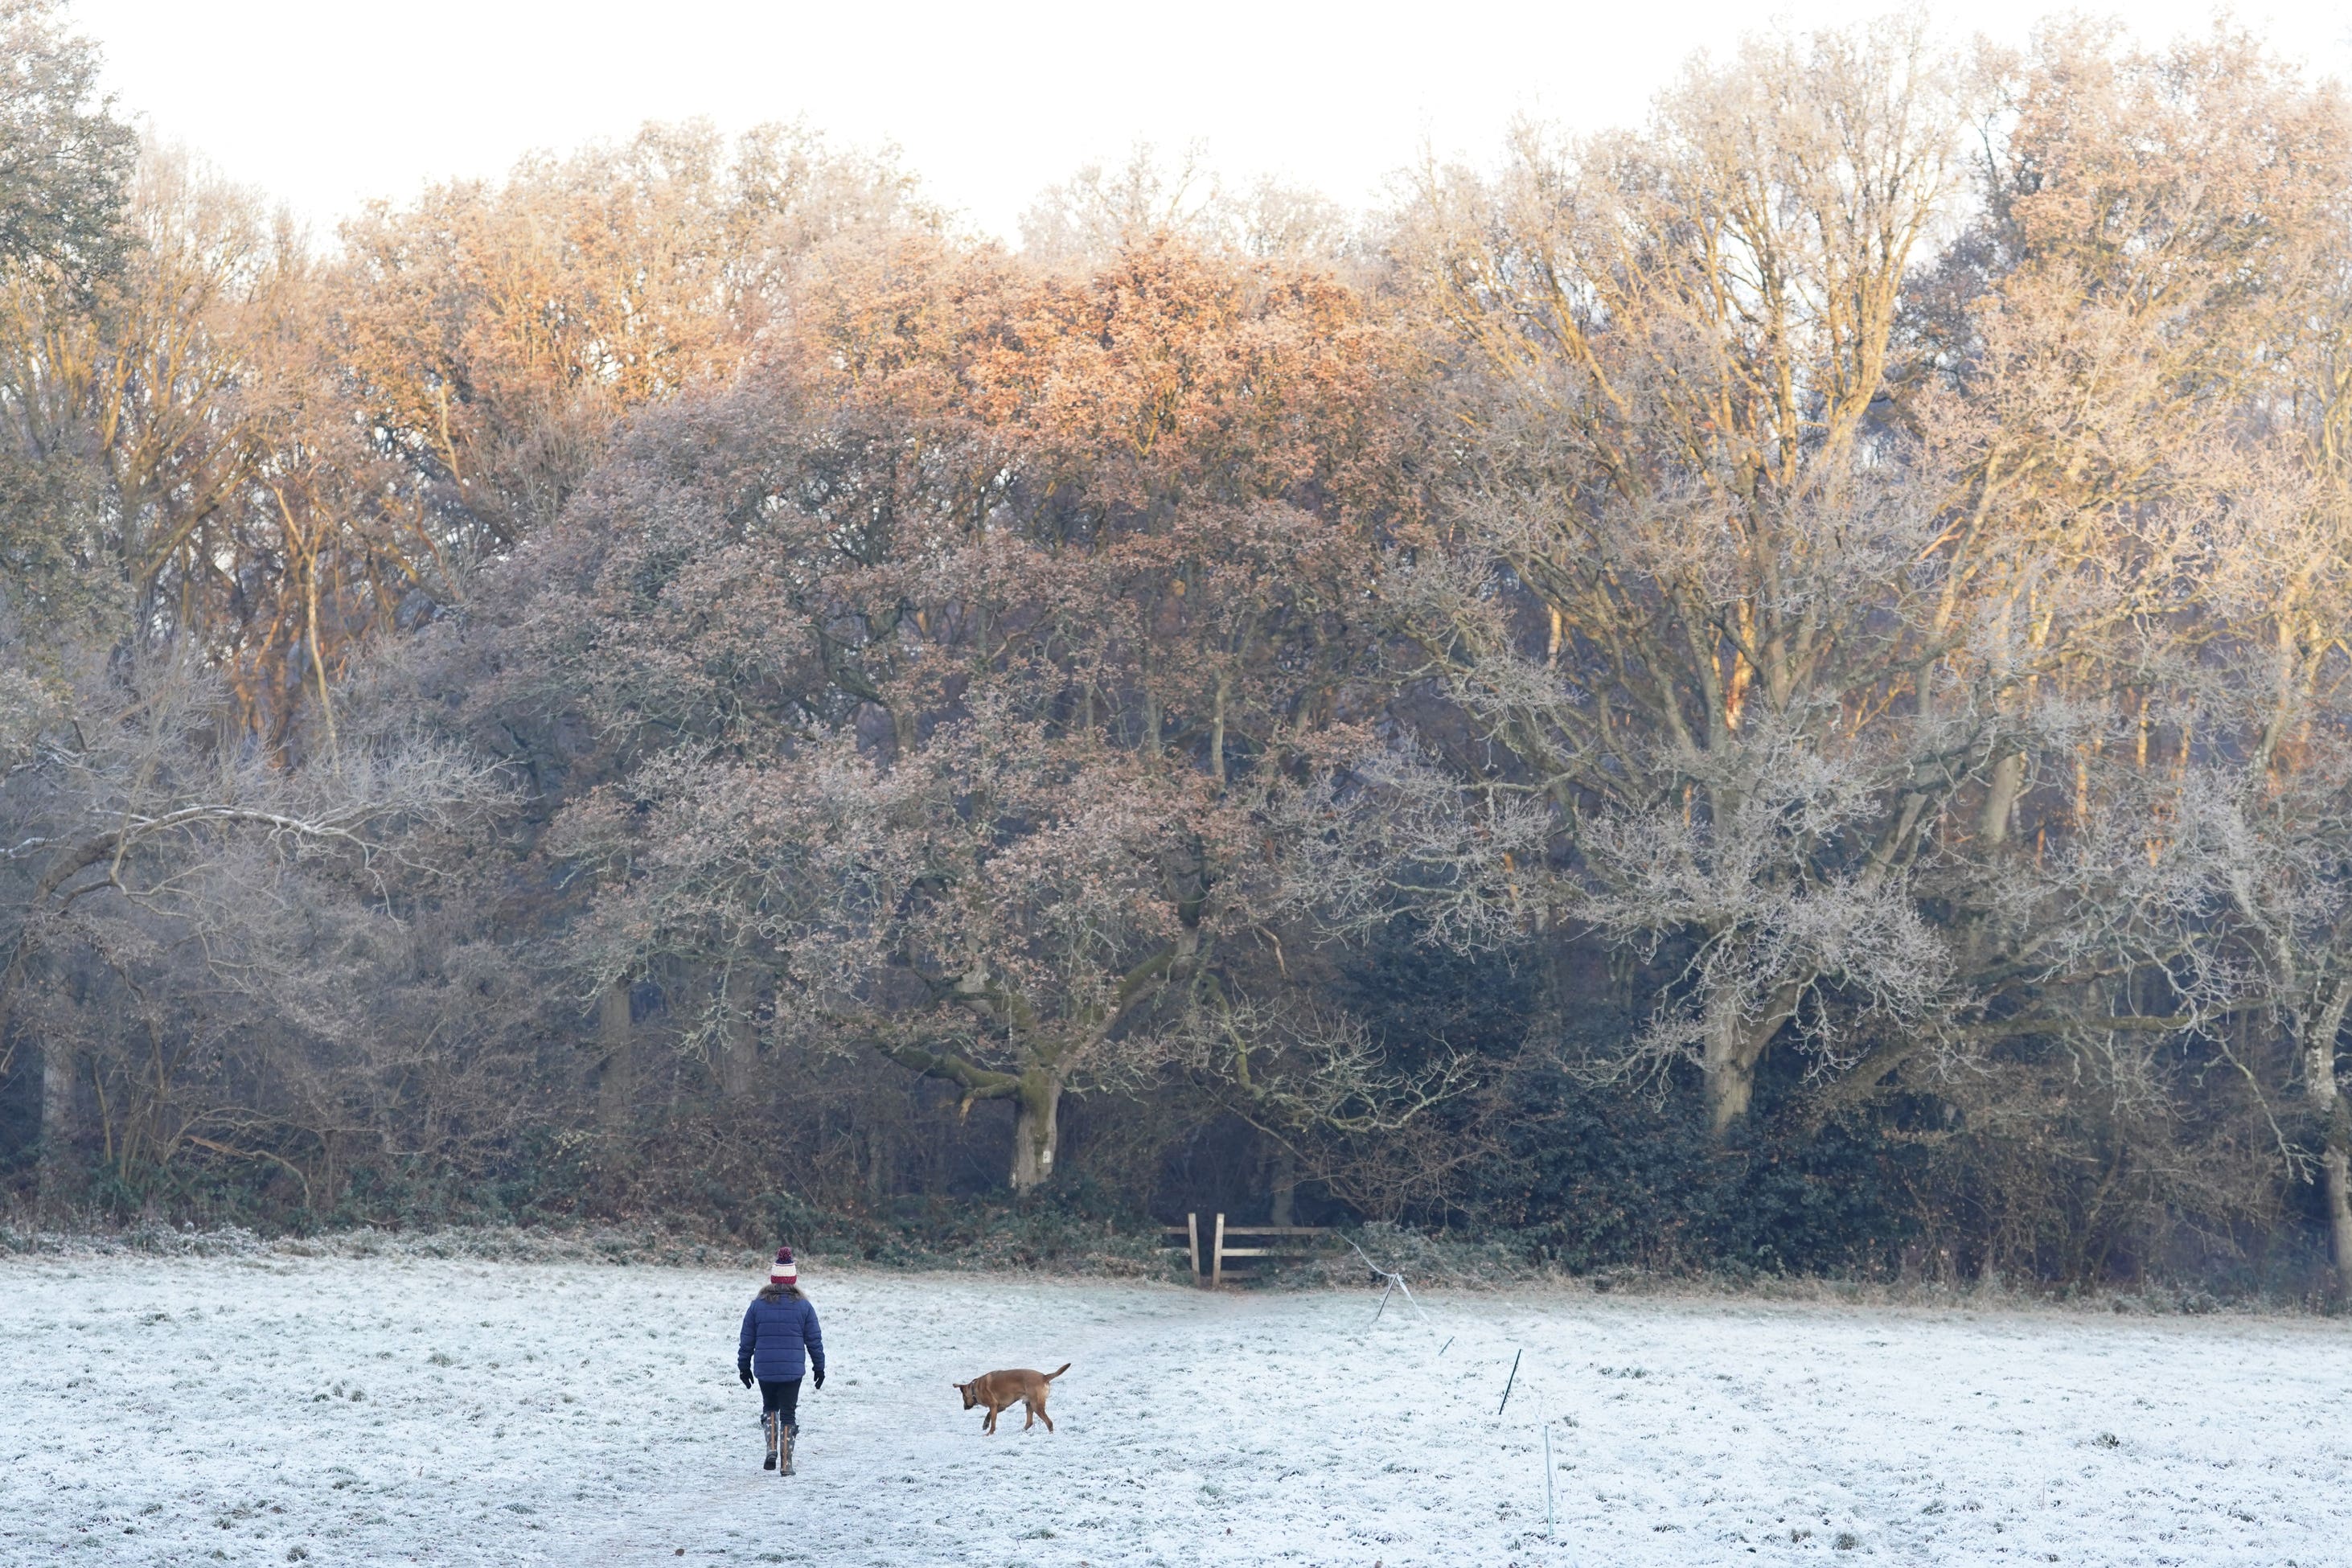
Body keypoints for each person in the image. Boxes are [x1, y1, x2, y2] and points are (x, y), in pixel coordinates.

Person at [737, 1247, 825, 1473]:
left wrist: (744, 1366)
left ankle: (771, 1450)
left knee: (770, 1407)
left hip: (765, 1370)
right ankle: (786, 1464)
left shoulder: (757, 1305)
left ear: (773, 1279)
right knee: (789, 1412)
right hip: (792, 1371)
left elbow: (747, 1340)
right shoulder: (804, 1307)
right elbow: (814, 1340)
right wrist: (819, 1366)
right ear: (793, 1279)